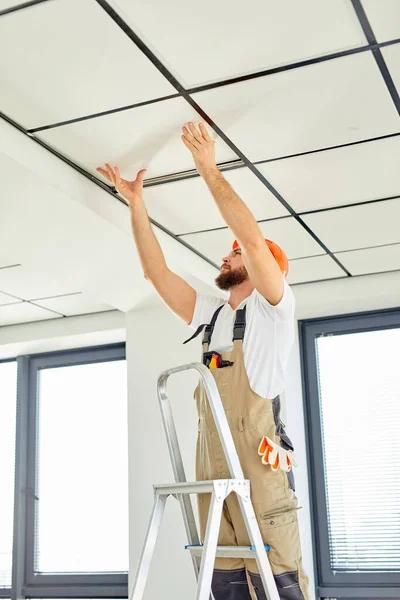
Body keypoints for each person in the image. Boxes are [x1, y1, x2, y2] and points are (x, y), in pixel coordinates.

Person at [97, 122, 309, 600]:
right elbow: (155, 272)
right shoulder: (213, 315)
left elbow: (252, 240)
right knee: (225, 583)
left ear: (261, 268)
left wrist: (208, 170)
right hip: (213, 467)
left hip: (259, 469)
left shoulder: (274, 309)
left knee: (277, 584)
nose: (227, 255)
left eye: (234, 254)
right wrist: (135, 204)